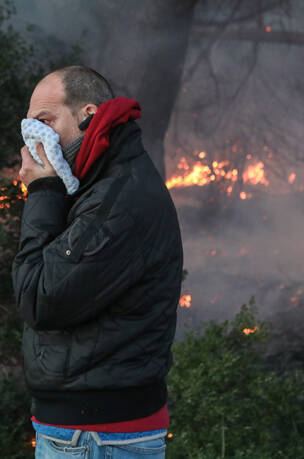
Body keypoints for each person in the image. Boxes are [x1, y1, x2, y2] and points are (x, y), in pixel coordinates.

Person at [12, 65, 183, 458]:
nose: (33, 137)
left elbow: (38, 298)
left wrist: (42, 189)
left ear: (88, 115)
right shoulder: (95, 184)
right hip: (88, 434)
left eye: (45, 121)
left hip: (96, 438)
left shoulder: (119, 199)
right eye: (28, 125)